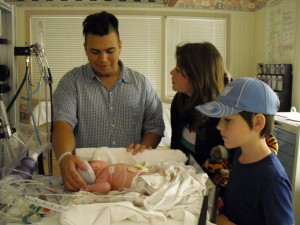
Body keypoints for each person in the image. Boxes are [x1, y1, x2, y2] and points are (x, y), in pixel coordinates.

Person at [52, 11, 165, 191]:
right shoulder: (71, 82)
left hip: (130, 180)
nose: (103, 59)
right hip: (88, 177)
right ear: (85, 48)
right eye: (95, 52)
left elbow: (155, 126)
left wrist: (145, 147)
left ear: (120, 46)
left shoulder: (141, 84)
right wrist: (64, 157)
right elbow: (63, 124)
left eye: (110, 51)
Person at [196, 77, 294, 225]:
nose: (219, 126)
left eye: (227, 120)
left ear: (258, 122)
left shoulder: (273, 181)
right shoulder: (240, 155)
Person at [170, 42, 230, 167]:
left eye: (178, 70)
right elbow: (175, 147)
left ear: (197, 77)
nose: (171, 73)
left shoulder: (226, 114)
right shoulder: (179, 100)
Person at [80, 160, 165, 195]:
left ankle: (160, 178)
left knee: (159, 171)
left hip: (145, 173)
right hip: (137, 182)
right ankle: (161, 188)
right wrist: (89, 188)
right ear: (95, 166)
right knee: (153, 186)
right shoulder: (101, 178)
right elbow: (105, 187)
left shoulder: (110, 167)